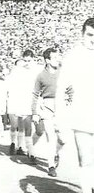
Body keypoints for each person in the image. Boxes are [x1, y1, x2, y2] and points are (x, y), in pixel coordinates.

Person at [55, 18, 94, 193]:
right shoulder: (72, 57)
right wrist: (60, 123)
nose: (93, 39)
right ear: (82, 34)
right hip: (82, 117)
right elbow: (63, 90)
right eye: (90, 35)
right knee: (86, 159)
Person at [31, 47, 64, 177]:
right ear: (47, 60)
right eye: (55, 58)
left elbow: (71, 90)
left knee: (63, 139)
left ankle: (56, 153)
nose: (58, 59)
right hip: (47, 106)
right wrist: (34, 112)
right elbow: (35, 94)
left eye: (58, 57)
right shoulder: (41, 76)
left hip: (62, 105)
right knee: (51, 136)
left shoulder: (63, 72)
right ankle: (51, 166)